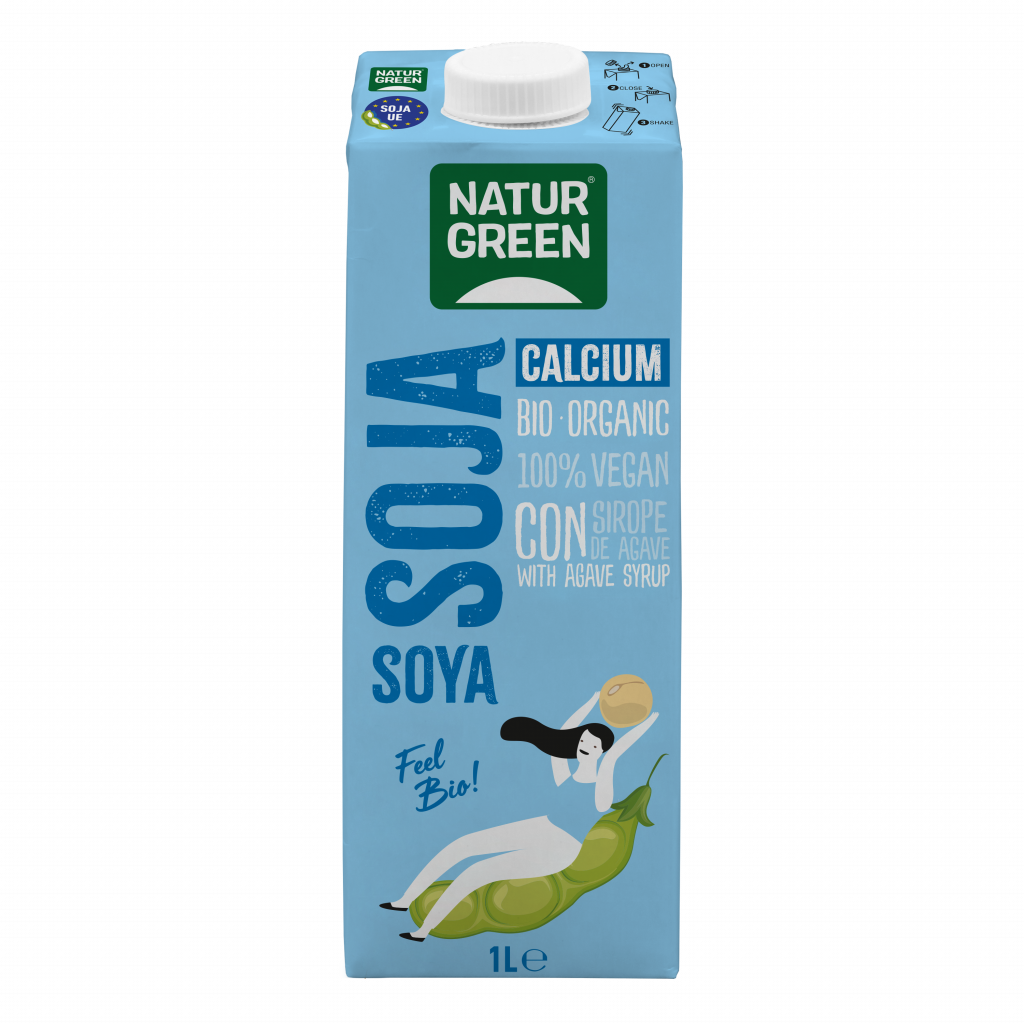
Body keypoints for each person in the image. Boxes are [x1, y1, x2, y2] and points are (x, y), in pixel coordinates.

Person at [380, 690, 659, 941]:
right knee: (461, 846)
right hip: (541, 827)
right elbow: (566, 729)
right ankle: (405, 900)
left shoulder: (601, 788)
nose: (586, 744)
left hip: (562, 848)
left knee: (476, 872)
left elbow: (617, 751)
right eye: (584, 739)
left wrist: (650, 718)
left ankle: (423, 931)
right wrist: (592, 700)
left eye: (594, 744)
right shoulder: (564, 772)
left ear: (602, 751)